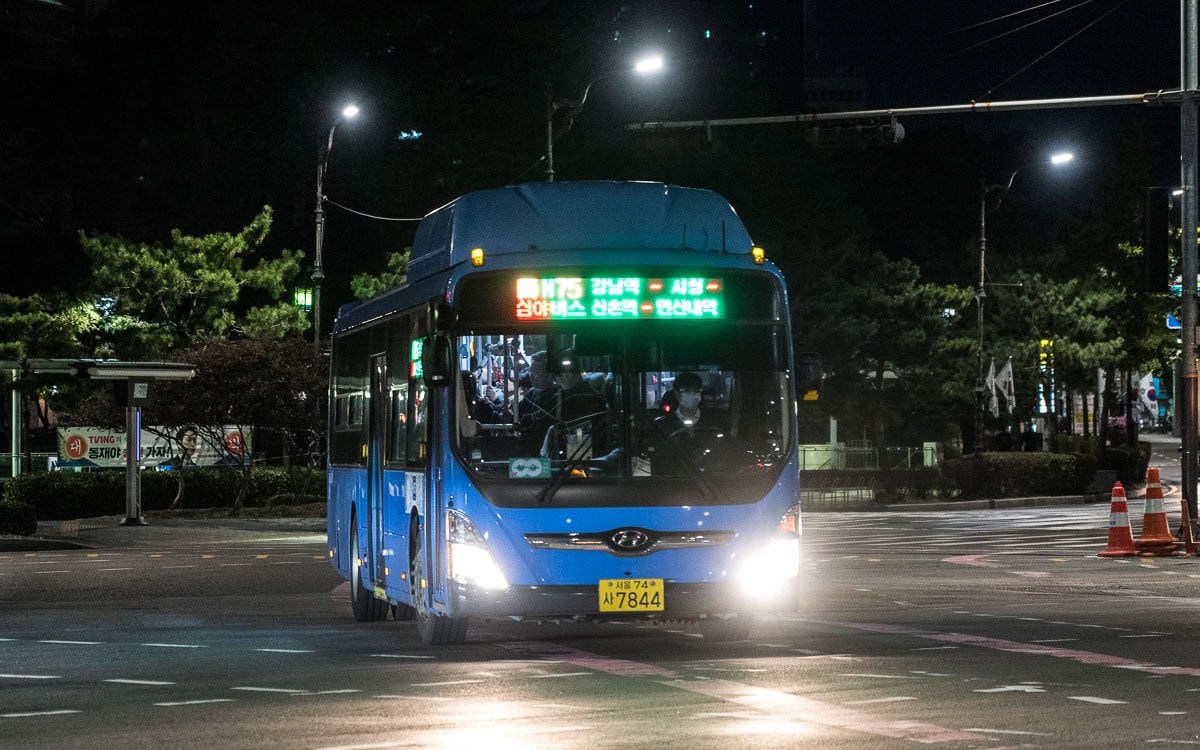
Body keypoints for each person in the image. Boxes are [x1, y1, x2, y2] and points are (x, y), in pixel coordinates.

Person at [540, 349, 609, 459]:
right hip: (590, 459)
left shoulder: (575, 399)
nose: (557, 382)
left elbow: (578, 444)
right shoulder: (594, 396)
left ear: (567, 374)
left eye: (556, 378)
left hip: (577, 460)